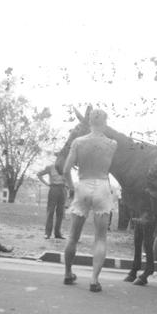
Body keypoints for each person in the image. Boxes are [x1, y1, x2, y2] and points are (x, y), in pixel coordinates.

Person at [61, 109, 118, 293]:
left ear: (89, 122)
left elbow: (65, 170)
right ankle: (94, 280)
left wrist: (72, 188)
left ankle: (68, 273)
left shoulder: (78, 142)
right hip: (102, 185)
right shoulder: (112, 144)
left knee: (73, 236)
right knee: (100, 238)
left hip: (83, 183)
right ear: (105, 122)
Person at [37, 158, 68, 240]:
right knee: (50, 211)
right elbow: (39, 174)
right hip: (54, 188)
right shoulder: (50, 167)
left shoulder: (65, 167)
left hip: (63, 189)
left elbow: (68, 178)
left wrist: (67, 185)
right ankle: (47, 233)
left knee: (60, 212)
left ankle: (58, 233)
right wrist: (47, 184)